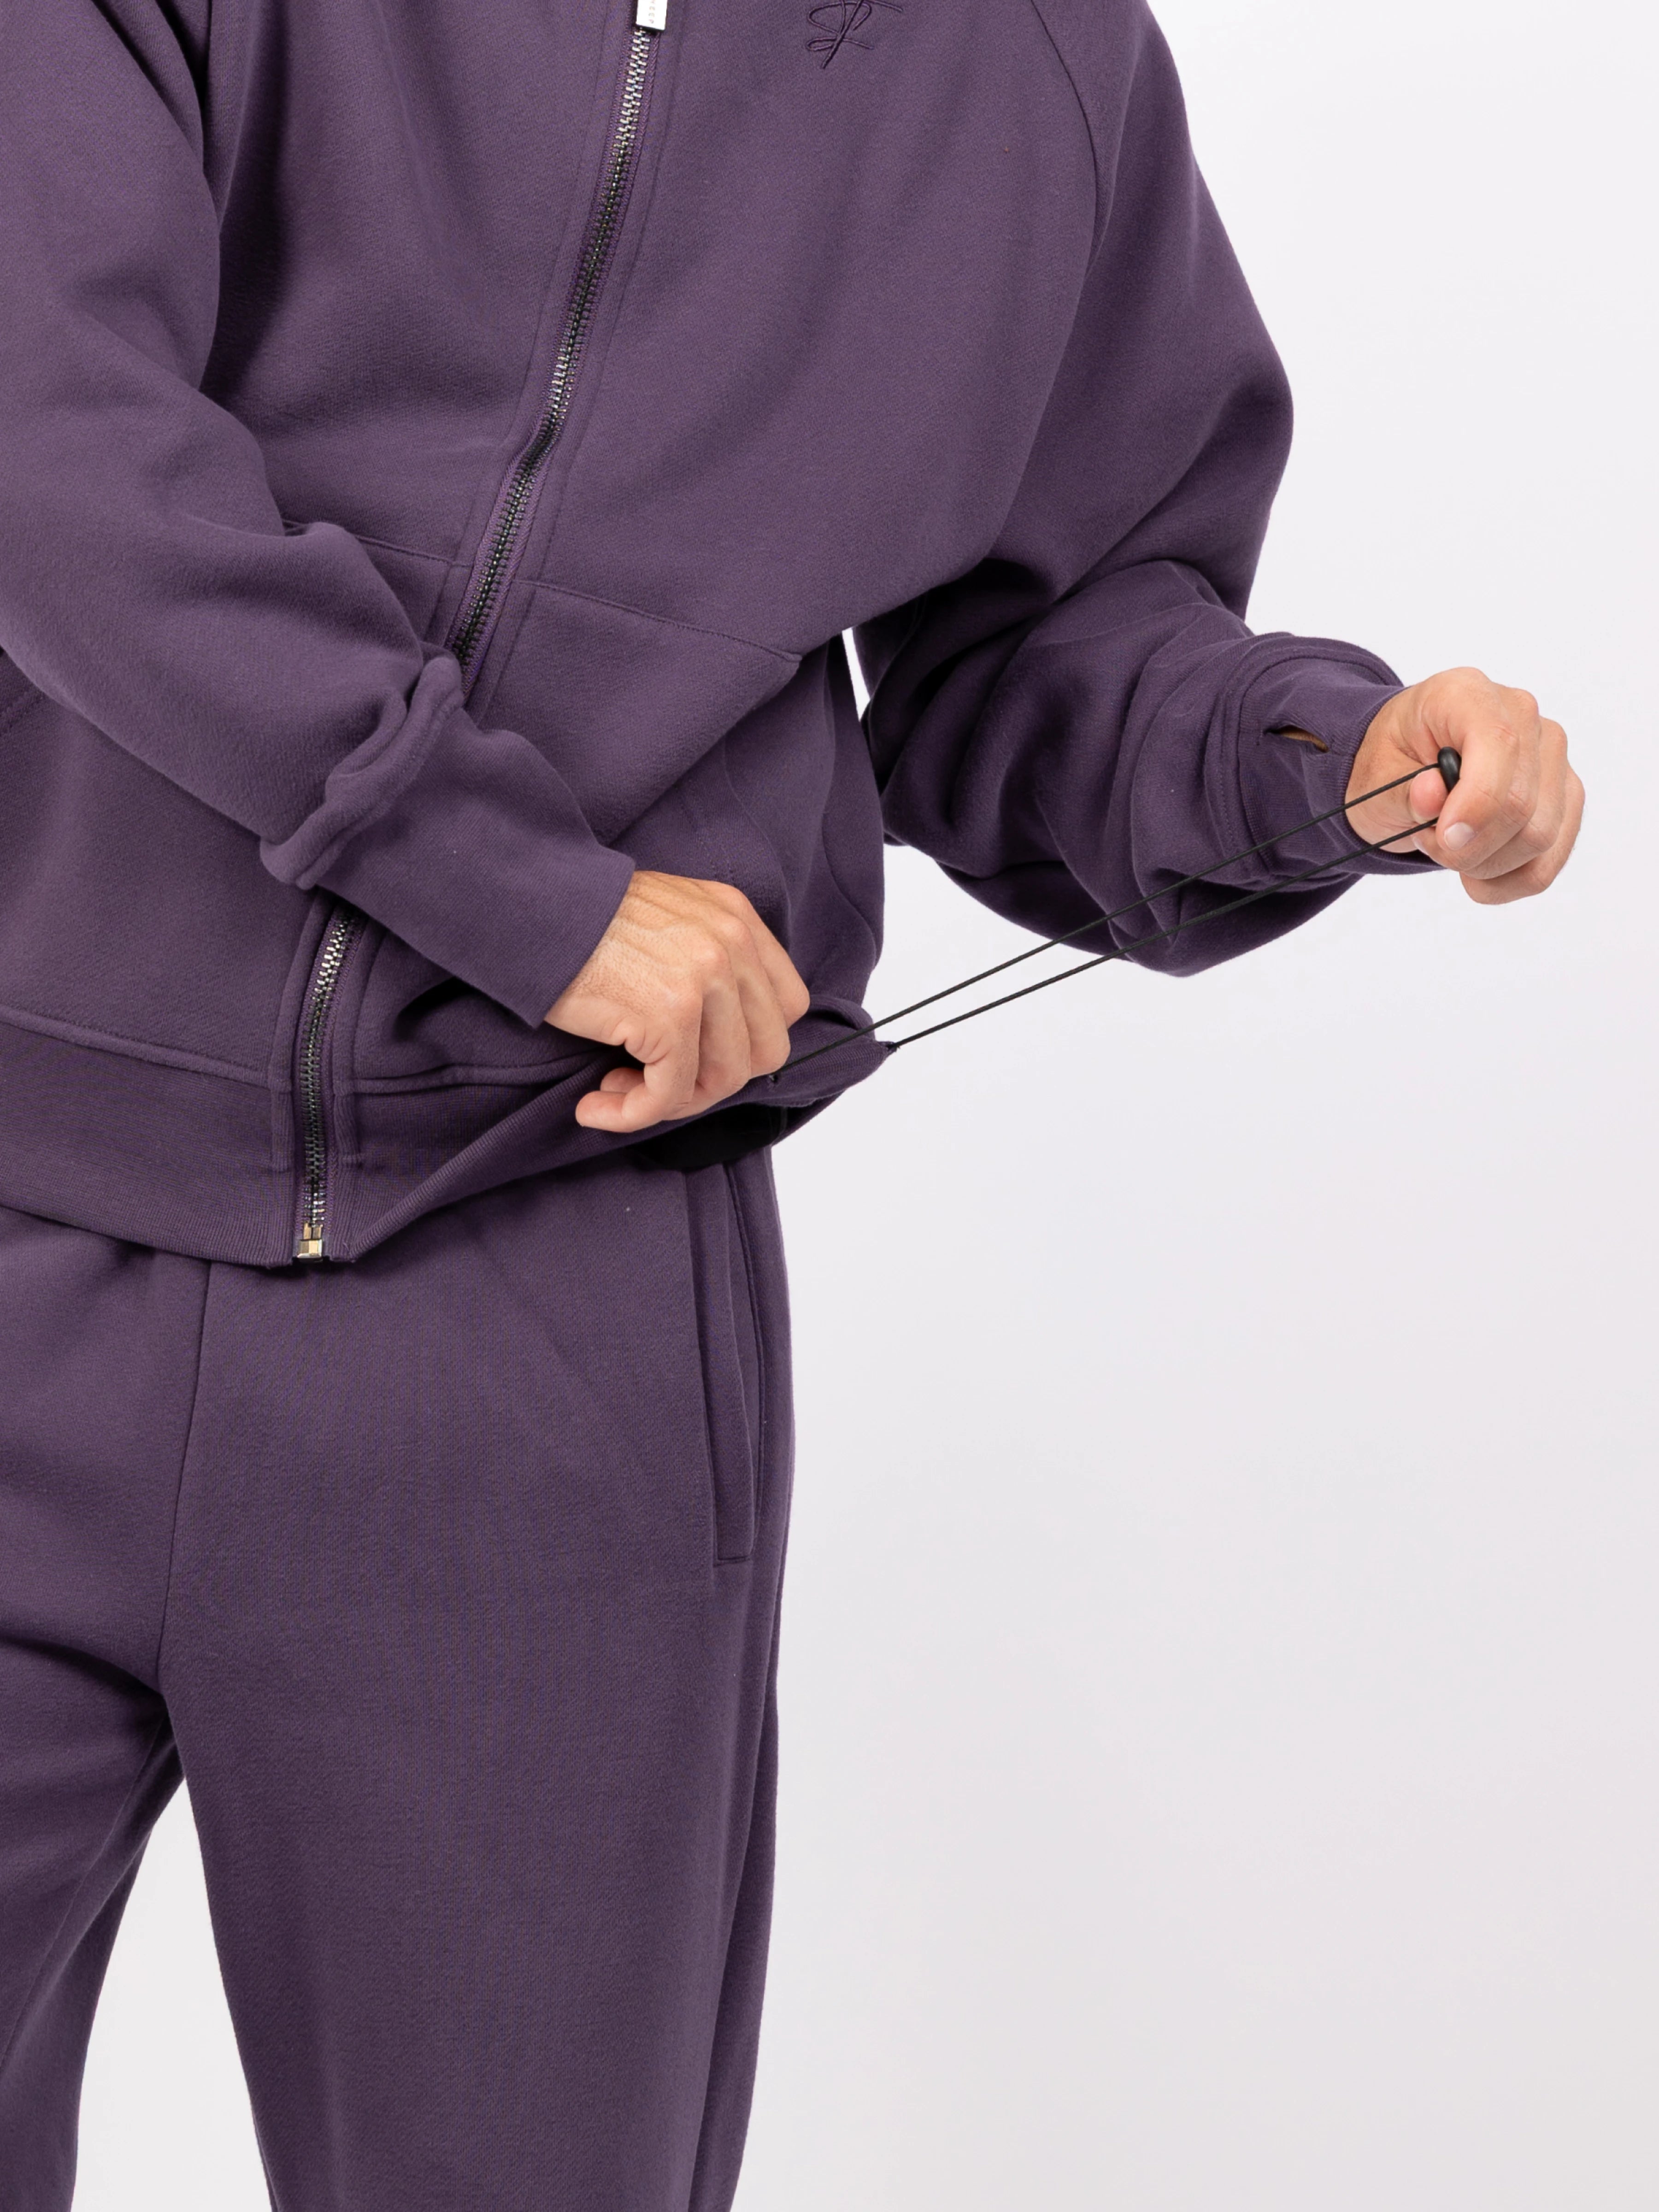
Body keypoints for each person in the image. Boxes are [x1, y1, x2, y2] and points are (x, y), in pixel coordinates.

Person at [0, 0, 1581, 2203]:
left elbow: (1047, 652)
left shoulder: (1034, 65)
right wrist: (520, 888)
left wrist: (1320, 762)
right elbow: (48, 434)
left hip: (546, 1312)